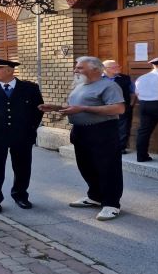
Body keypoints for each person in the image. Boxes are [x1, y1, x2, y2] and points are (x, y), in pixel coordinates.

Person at [40, 56, 125, 221]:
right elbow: (75, 108)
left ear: (95, 69)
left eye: (79, 68)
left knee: (108, 168)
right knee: (86, 166)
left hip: (102, 132)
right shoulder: (80, 86)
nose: (75, 70)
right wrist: (56, 108)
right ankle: (95, 196)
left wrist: (83, 108)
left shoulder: (109, 86)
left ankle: (111, 204)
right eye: (76, 67)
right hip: (80, 132)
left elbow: (118, 108)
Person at [0, 58, 43, 212]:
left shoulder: (30, 88)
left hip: (22, 136)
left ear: (10, 70)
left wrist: (30, 129)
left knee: (22, 167)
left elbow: (37, 111)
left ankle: (20, 195)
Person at [102, 60, 137, 154]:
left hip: (123, 107)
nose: (118, 68)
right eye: (114, 67)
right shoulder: (97, 79)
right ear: (105, 69)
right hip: (104, 108)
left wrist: (131, 105)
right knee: (105, 127)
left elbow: (132, 93)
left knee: (124, 127)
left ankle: (121, 148)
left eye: (118, 66)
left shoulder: (125, 78)